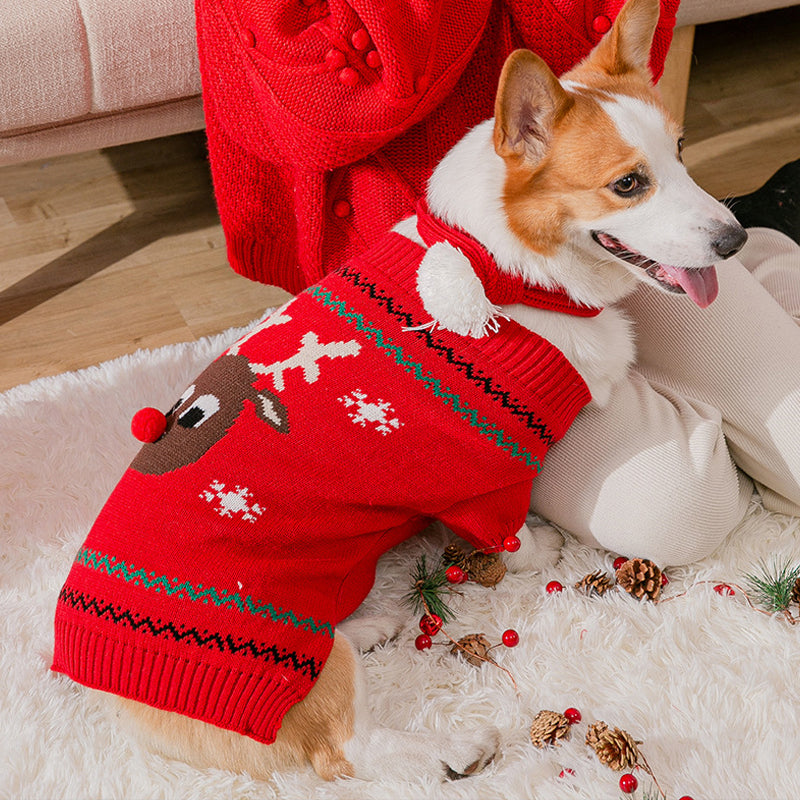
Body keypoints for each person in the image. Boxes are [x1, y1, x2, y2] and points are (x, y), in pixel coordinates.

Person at [194, 0, 800, 565]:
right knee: (685, 516)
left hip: (599, 241)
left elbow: (608, 46)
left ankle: (765, 256)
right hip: (442, 284)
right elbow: (328, 101)